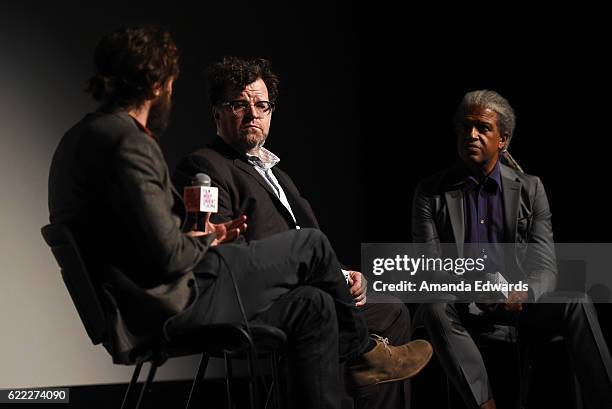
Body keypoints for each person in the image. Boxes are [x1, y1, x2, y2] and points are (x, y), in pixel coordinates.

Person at [47, 26, 432, 409]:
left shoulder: (80, 137)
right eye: (170, 83)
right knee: (312, 246)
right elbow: (171, 257)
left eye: (262, 106)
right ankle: (362, 352)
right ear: (157, 84)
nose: (170, 93)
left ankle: (358, 363)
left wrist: (204, 236)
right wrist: (206, 238)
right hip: (167, 305)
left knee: (316, 304)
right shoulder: (128, 141)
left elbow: (146, 241)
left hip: (144, 299)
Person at [173, 56, 416, 409]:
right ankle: (358, 357)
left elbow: (308, 241)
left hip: (311, 287)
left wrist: (343, 276)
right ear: (217, 113)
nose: (252, 113)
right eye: (238, 104)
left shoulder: (278, 175)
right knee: (325, 315)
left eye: (261, 105)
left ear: (271, 112)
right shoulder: (205, 166)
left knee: (391, 311)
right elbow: (225, 255)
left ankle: (362, 369)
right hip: (264, 301)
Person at [411, 89, 612, 409]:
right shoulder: (431, 192)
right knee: (433, 305)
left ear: (502, 140)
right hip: (461, 306)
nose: (471, 134)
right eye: (465, 127)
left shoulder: (530, 188)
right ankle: (485, 404)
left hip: (518, 304)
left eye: (482, 128)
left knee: (577, 299)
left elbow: (545, 265)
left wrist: (522, 293)